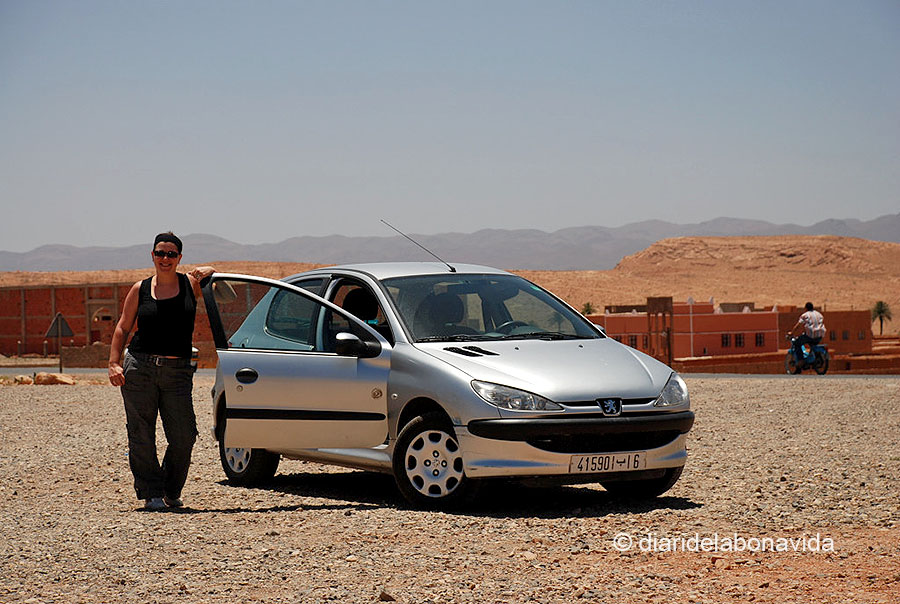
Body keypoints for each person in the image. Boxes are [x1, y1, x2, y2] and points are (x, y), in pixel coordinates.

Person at [108, 232, 214, 511]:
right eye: (160, 253)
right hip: (139, 367)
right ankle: (151, 492)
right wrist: (113, 363)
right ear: (152, 256)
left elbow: (228, 297)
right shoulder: (140, 289)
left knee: (184, 435)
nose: (165, 258)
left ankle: (170, 489)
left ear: (179, 258)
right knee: (141, 433)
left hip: (177, 371)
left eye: (171, 254)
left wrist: (212, 271)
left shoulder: (191, 284)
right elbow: (122, 327)